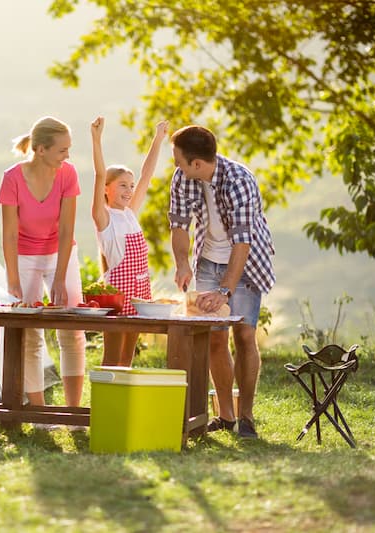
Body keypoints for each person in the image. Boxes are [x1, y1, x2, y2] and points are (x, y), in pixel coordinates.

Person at [168, 125, 275, 439]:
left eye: (179, 161)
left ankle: (247, 417)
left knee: (243, 336)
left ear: (197, 164)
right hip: (207, 261)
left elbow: (243, 243)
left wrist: (224, 290)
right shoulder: (183, 178)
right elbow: (179, 224)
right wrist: (183, 263)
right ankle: (226, 416)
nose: (176, 167)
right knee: (214, 338)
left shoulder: (240, 180)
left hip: (245, 263)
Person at [0, 116, 86, 407]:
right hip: (24, 257)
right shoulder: (12, 178)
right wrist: (12, 278)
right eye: (62, 150)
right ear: (41, 150)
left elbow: (67, 230)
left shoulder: (68, 174)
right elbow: (9, 234)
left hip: (61, 254)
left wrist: (59, 277)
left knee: (72, 331)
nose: (68, 155)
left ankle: (72, 412)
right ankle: (38, 412)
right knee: (30, 335)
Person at [90, 117, 169, 366]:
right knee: (112, 355)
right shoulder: (104, 218)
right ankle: (106, 400)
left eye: (131, 186)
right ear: (106, 188)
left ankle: (122, 400)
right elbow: (99, 173)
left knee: (128, 357)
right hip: (117, 295)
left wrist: (158, 139)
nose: (129, 190)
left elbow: (147, 174)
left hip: (140, 294)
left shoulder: (130, 214)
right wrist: (96, 139)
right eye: (122, 185)